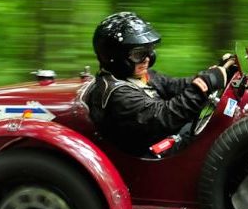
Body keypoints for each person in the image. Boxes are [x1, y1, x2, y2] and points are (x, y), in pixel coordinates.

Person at [86, 11, 237, 156]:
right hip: (152, 159)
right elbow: (164, 116)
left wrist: (214, 75)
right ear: (115, 57)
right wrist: (202, 87)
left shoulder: (137, 76)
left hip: (172, 140)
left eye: (149, 51)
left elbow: (175, 86)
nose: (147, 58)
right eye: (139, 54)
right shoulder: (118, 95)